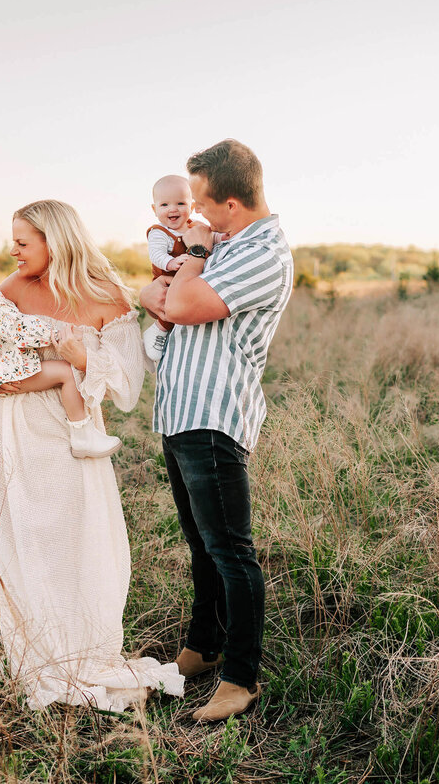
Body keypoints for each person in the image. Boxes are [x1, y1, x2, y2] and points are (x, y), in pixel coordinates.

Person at [0, 199, 185, 711]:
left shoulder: (107, 295)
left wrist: (80, 356)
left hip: (74, 433)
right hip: (9, 430)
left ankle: (86, 650)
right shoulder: (8, 292)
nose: (11, 252)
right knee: (23, 542)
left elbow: (128, 385)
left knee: (83, 539)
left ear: (54, 241)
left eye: (22, 242)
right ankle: (38, 655)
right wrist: (20, 376)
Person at [139, 139, 293, 722]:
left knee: (231, 552)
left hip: (214, 414)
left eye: (201, 202)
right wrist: (159, 288)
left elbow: (179, 305)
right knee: (200, 543)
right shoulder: (224, 242)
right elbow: (158, 295)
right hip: (179, 410)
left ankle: (240, 677)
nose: (194, 214)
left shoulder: (259, 252)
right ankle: (203, 648)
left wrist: (195, 256)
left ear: (229, 201)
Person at [0, 213, 121, 458]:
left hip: (1, 368)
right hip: (5, 371)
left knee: (64, 372)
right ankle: (83, 434)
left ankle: (83, 433)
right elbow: (16, 328)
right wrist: (54, 333)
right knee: (67, 372)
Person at [141, 175, 225, 362]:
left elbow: (210, 237)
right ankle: (158, 331)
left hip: (188, 279)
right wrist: (170, 263)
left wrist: (221, 238)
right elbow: (156, 255)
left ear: (192, 207)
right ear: (155, 209)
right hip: (167, 277)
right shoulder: (159, 233)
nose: (172, 209)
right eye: (164, 205)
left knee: (185, 303)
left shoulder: (195, 226)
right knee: (169, 303)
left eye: (180, 203)